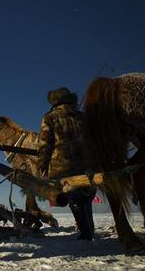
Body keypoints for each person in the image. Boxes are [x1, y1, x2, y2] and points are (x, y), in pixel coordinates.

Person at [37, 87, 96, 240]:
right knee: (86, 193)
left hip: (62, 166)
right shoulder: (83, 117)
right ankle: (89, 228)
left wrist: (42, 165)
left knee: (73, 196)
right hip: (86, 164)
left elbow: (45, 144)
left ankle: (86, 232)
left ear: (54, 101)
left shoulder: (50, 117)